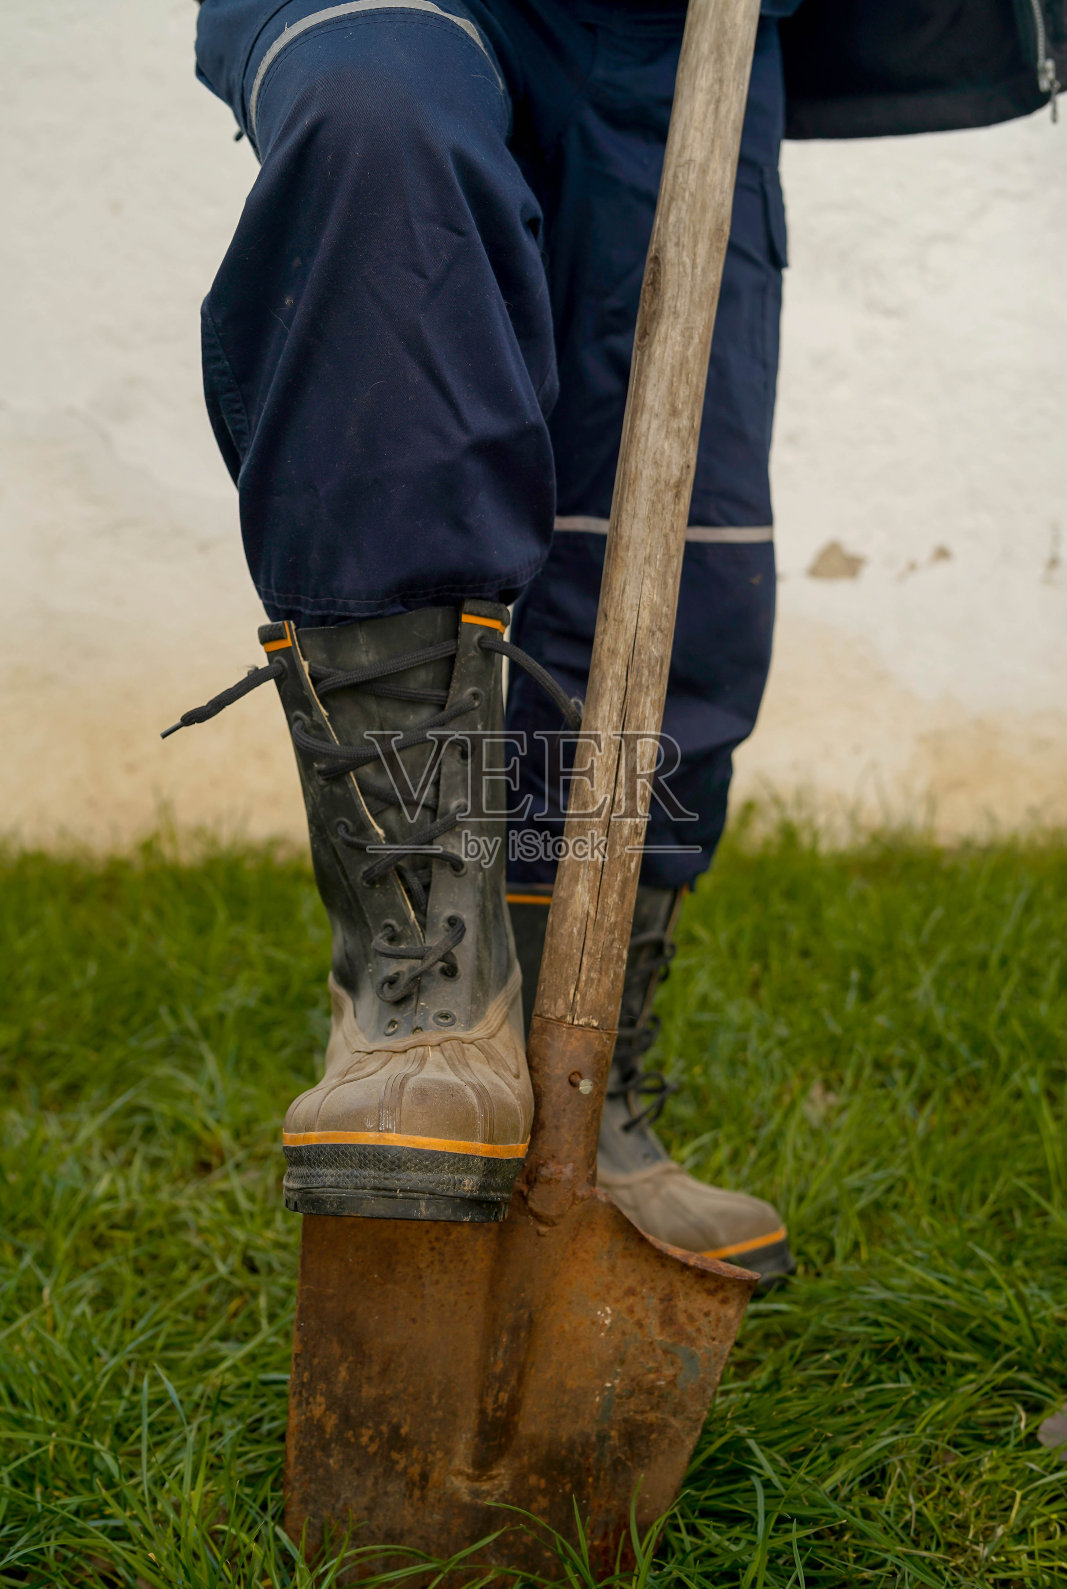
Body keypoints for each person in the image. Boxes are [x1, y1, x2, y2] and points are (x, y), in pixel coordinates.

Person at [170, 0, 1062, 1285]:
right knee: (378, 149)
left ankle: (575, 1083)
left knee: (674, 508)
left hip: (677, 23)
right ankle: (423, 993)